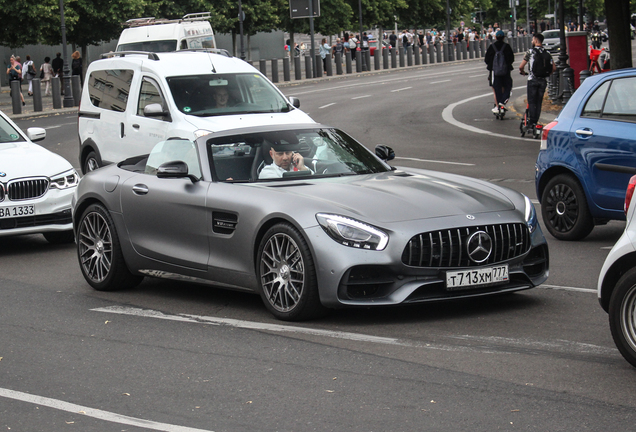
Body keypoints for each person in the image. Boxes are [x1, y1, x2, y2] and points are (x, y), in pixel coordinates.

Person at [519, 33, 556, 127]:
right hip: (543, 81)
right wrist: (547, 74)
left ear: (535, 40)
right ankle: (535, 121)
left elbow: (521, 66)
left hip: (533, 80)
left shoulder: (530, 52)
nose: (532, 41)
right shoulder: (547, 53)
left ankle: (531, 122)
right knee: (538, 102)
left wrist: (522, 71)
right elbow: (554, 68)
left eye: (532, 40)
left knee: (532, 101)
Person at [485, 30, 515, 114]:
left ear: (495, 37)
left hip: (494, 72)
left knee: (496, 89)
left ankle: (498, 106)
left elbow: (486, 59)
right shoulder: (507, 47)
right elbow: (511, 59)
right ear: (504, 37)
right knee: (508, 87)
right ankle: (503, 102)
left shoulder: (492, 47)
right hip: (506, 72)